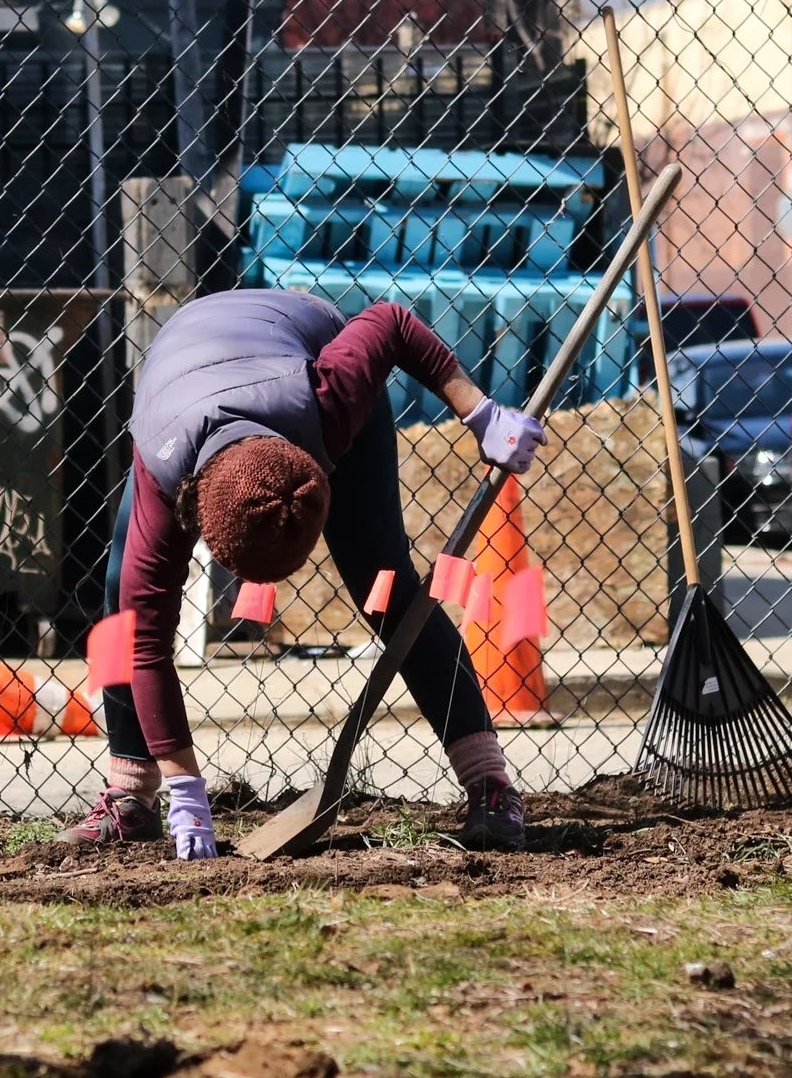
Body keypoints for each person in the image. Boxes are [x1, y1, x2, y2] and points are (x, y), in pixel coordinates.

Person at [59, 288, 546, 858]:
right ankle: (130, 795)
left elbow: (389, 321)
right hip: (187, 372)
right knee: (126, 611)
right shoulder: (164, 474)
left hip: (301, 346)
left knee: (385, 588)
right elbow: (144, 646)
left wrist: (480, 412)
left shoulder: (327, 398)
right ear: (193, 513)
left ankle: (490, 785)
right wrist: (186, 790)